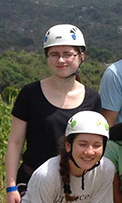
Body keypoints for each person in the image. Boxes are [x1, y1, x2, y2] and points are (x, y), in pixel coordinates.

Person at [6, 24, 102, 203]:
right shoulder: (30, 94)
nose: (61, 60)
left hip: (74, 187)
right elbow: (15, 142)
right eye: (54, 54)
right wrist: (11, 186)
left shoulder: (92, 98)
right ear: (46, 57)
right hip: (31, 182)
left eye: (68, 54)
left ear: (81, 56)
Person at [21, 111, 114, 203]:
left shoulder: (106, 169)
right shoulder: (46, 176)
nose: (89, 152)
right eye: (82, 144)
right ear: (68, 146)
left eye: (97, 145)